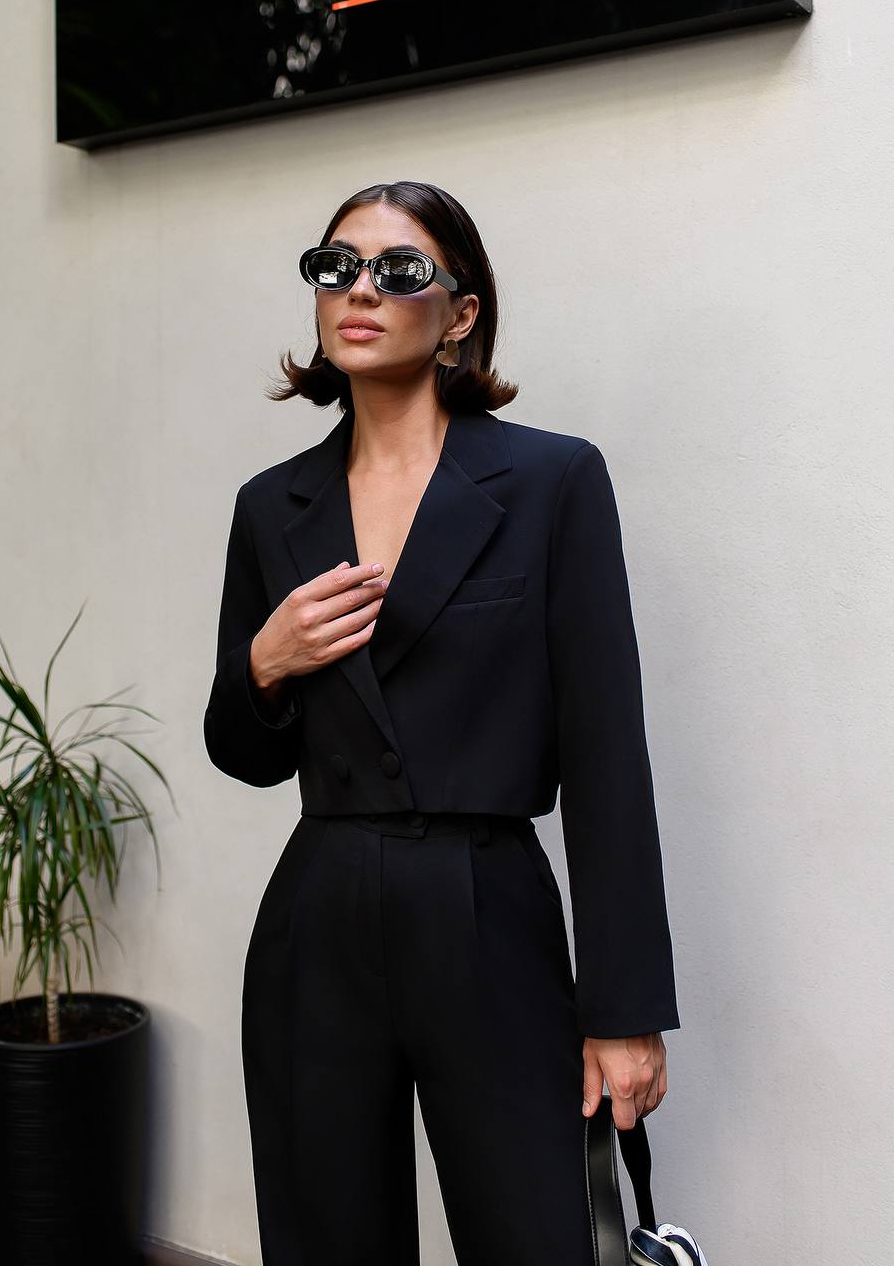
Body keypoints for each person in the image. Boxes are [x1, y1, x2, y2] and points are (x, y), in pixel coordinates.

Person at [203, 179, 680, 1266]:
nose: (358, 290)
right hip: (316, 918)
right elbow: (243, 752)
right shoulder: (271, 505)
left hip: (487, 905)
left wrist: (622, 1007)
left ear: (460, 311)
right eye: (334, 267)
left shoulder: (552, 480)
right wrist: (264, 665)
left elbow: (607, 756)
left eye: (397, 269)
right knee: (325, 1237)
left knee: (536, 1236)